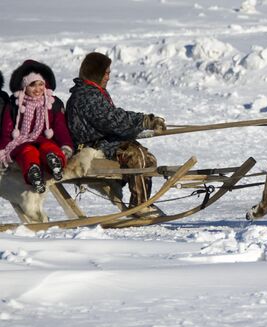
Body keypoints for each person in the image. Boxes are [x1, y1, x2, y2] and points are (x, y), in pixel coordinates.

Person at [66, 52, 167, 209]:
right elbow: (112, 120)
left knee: (149, 159)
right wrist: (145, 121)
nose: (108, 77)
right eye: (106, 73)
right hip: (92, 146)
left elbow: (113, 119)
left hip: (106, 141)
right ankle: (139, 206)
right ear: (96, 72)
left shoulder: (94, 92)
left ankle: (144, 202)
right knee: (136, 156)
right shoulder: (86, 96)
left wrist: (144, 123)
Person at [0, 61, 74, 193]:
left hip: (46, 140)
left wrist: (66, 145)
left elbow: (60, 128)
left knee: (49, 148)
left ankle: (55, 163)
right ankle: (33, 173)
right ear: (24, 86)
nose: (38, 89)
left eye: (41, 84)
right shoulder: (15, 104)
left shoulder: (52, 103)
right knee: (28, 151)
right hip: (22, 142)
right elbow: (7, 131)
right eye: (32, 85)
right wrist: (2, 152)